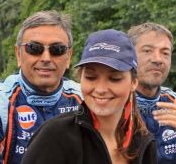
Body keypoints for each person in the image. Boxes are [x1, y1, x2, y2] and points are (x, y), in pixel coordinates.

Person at [21, 29, 157, 164]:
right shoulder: (54, 136)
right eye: (91, 77)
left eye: (114, 78)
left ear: (133, 83)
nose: (101, 89)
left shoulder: (144, 142)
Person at [0, 10, 83, 163]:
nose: (46, 58)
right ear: (18, 54)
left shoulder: (84, 98)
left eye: (57, 50)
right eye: (34, 49)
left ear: (68, 56)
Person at [128, 22, 176, 163]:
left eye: (165, 53)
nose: (158, 59)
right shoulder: (113, 103)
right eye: (147, 50)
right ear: (129, 55)